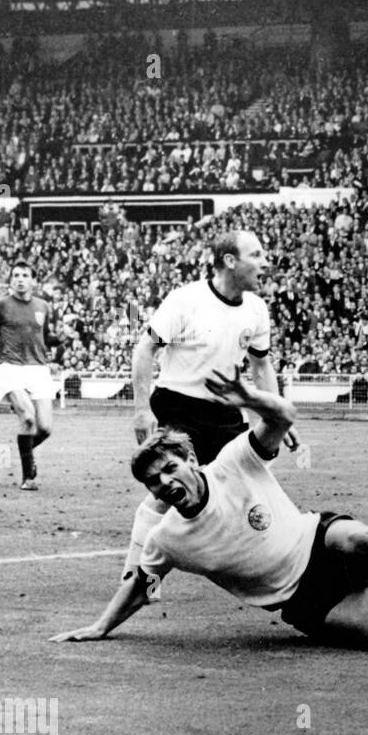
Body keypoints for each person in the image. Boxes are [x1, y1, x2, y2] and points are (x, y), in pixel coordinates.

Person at [50, 369, 368, 650]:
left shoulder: (234, 461)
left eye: (170, 468)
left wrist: (251, 399)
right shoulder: (167, 539)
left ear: (190, 459)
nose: (165, 481)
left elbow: (283, 417)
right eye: (154, 480)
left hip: (319, 541)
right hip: (300, 601)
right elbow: (140, 585)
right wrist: (98, 627)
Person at [121, 229, 298, 580]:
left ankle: (286, 562)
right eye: (257, 254)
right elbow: (144, 349)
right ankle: (138, 578)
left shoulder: (257, 309)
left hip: (225, 414)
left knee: (252, 485)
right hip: (177, 407)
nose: (266, 262)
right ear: (230, 261)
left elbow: (261, 365)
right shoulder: (186, 300)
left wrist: (279, 413)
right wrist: (141, 409)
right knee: (167, 490)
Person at [0, 260, 58, 491]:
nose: (20, 279)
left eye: (24, 275)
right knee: (28, 418)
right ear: (11, 280)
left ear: (33, 280)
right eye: (16, 275)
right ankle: (28, 478)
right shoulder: (0, 304)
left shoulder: (43, 306)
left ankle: (26, 453)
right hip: (10, 367)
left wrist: (61, 339)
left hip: (38, 368)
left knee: (45, 428)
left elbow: (47, 336)